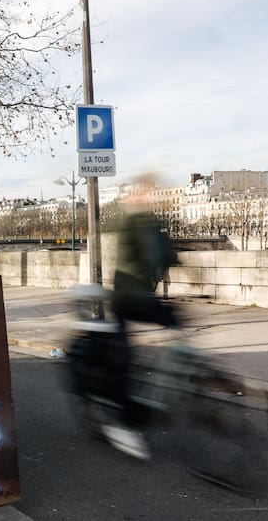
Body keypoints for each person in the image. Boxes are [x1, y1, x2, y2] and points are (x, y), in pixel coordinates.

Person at [103, 180, 179, 460]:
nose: (148, 196)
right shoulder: (131, 221)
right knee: (124, 357)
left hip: (145, 295)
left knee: (181, 331)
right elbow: (147, 252)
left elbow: (166, 253)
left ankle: (164, 393)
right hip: (126, 296)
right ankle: (123, 425)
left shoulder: (150, 222)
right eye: (145, 191)